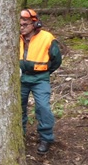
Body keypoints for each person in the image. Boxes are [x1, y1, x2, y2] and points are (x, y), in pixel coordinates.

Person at [19, 9, 62, 154]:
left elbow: (56, 60)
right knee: (18, 108)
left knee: (43, 107)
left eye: (25, 24)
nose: (22, 27)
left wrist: (44, 70)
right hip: (20, 78)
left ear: (34, 23)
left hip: (40, 78)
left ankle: (46, 138)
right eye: (20, 24)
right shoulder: (15, 37)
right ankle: (19, 136)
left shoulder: (47, 38)